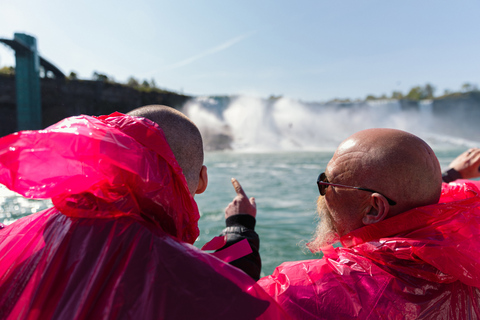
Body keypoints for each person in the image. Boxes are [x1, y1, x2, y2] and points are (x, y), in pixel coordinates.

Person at [0, 105, 288, 319]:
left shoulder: (15, 238)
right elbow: (229, 297)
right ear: (202, 181)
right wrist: (240, 226)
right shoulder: (191, 277)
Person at [258, 128, 480, 319]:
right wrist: (452, 173)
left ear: (374, 208)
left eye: (329, 183)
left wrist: (239, 232)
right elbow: (419, 202)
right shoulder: (468, 258)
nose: (323, 193)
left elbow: (236, 304)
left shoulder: (308, 292)